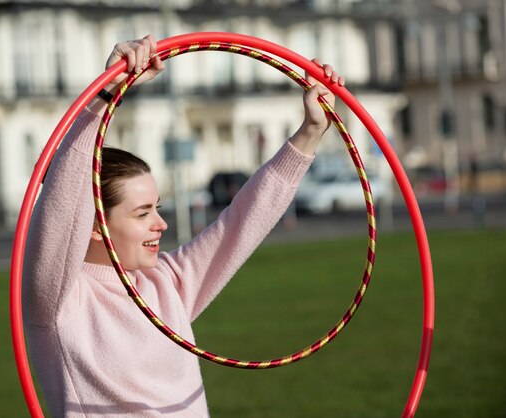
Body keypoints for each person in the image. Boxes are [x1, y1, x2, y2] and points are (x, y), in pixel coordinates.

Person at [23, 34, 344, 417]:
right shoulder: (57, 302)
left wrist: (311, 131)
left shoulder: (167, 284)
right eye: (142, 213)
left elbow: (242, 222)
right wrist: (103, 95)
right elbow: (62, 201)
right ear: (95, 225)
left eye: (156, 208)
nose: (160, 223)